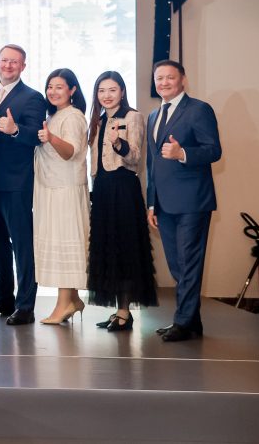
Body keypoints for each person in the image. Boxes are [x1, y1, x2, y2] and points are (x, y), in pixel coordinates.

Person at [146, 59, 222, 342]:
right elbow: (152, 164)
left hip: (192, 201)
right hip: (163, 204)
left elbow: (214, 150)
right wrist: (151, 203)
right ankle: (192, 321)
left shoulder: (199, 109)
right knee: (178, 265)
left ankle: (183, 321)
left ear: (182, 80)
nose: (164, 82)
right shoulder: (154, 115)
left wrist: (182, 154)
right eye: (159, 78)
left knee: (189, 262)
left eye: (170, 77)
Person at [0, 44, 46, 326]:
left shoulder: (32, 97)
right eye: (4, 60)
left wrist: (16, 129)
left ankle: (26, 304)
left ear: (23, 66)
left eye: (14, 62)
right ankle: (3, 297)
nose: (8, 65)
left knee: (21, 244)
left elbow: (37, 135)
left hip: (15, 181)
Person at [86, 71, 157, 332]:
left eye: (112, 90)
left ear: (122, 92)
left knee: (125, 249)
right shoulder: (97, 120)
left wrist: (119, 143)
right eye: (101, 90)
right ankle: (118, 310)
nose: (106, 95)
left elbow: (136, 158)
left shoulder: (132, 116)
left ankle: (125, 312)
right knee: (108, 250)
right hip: (103, 189)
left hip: (123, 188)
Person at [33, 68, 90, 324]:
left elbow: (70, 152)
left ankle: (64, 303)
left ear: (72, 90)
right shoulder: (54, 115)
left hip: (65, 190)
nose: (53, 91)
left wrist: (51, 138)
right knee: (57, 242)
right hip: (50, 187)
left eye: (59, 87)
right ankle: (73, 299)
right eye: (50, 86)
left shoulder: (74, 116)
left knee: (65, 241)